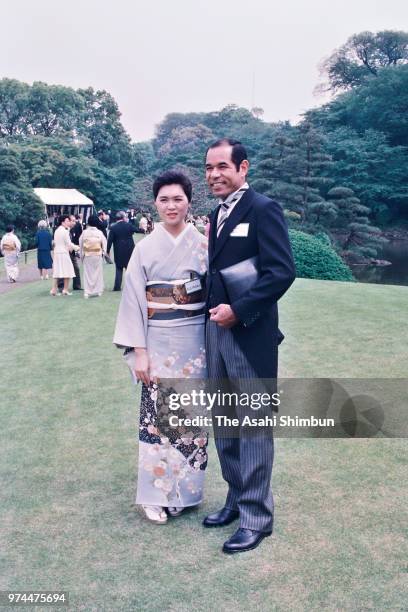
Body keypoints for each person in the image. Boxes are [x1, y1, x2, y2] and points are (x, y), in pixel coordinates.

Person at [203, 138, 296, 554]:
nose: (214, 175)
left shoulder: (262, 209)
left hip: (248, 331)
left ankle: (257, 517)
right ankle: (236, 499)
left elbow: (280, 273)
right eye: (208, 168)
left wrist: (238, 311)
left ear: (243, 168)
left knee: (254, 427)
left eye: (223, 166)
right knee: (224, 422)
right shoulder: (215, 214)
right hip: (215, 331)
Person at [113, 171, 208, 524]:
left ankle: (185, 493)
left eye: (178, 199)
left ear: (189, 203)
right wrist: (139, 350)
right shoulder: (145, 249)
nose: (171, 205)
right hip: (157, 340)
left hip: (196, 341)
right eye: (164, 199)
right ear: (155, 203)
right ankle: (153, 496)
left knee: (190, 420)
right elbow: (133, 300)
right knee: (156, 421)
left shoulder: (203, 246)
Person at [107, 211, 138, 291]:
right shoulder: (128, 225)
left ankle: (117, 287)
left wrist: (107, 251)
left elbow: (109, 241)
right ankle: (131, 286)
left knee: (119, 269)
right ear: (124, 217)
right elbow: (137, 230)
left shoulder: (113, 227)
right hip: (129, 249)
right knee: (130, 269)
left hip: (118, 250)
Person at [50, 214, 80, 296]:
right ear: (62, 222)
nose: (69, 222)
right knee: (68, 270)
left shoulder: (57, 230)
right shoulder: (64, 231)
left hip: (57, 252)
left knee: (58, 271)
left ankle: (54, 289)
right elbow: (68, 243)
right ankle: (65, 290)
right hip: (63, 252)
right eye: (67, 221)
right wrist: (77, 248)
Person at [79, 215, 107, 298]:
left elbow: (80, 244)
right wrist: (103, 252)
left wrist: (81, 255)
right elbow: (104, 242)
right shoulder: (99, 232)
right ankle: (98, 290)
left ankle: (87, 292)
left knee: (87, 273)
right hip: (97, 254)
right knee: (98, 273)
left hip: (87, 254)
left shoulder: (84, 232)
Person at [69, 214, 83, 290]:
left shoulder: (76, 227)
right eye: (73, 221)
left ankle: (77, 285)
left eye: (75, 220)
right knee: (63, 269)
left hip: (73, 251)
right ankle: (60, 285)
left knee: (76, 268)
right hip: (65, 252)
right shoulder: (64, 230)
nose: (75, 222)